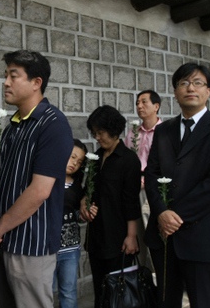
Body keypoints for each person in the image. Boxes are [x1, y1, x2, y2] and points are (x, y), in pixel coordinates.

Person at [144, 63, 210, 308]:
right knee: (166, 299)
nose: (190, 88)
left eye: (197, 83)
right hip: (163, 235)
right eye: (184, 83)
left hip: (200, 234)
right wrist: (161, 212)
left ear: (208, 91)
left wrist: (176, 216)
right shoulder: (164, 130)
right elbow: (151, 173)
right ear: (175, 92)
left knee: (203, 301)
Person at [0, 50, 73, 308]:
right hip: (1, 239)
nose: (6, 83)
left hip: (30, 243)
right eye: (5, 76)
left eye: (14, 76)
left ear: (37, 83)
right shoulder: (14, 126)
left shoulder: (52, 123)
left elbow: (40, 191)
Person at [80, 105, 141, 308]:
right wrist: (84, 205)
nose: (98, 137)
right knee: (100, 288)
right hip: (97, 234)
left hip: (118, 236)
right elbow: (87, 191)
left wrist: (131, 236)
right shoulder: (96, 159)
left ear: (114, 130)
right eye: (95, 133)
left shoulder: (129, 160)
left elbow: (131, 201)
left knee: (118, 290)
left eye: (101, 132)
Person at [124, 89, 162, 267]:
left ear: (156, 106)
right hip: (134, 187)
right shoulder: (133, 133)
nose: (139, 106)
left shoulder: (164, 132)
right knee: (136, 234)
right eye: (137, 103)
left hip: (153, 187)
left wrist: (149, 180)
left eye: (144, 102)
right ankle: (141, 279)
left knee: (152, 232)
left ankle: (157, 276)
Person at [54, 139, 87, 308]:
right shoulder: (47, 180)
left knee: (69, 293)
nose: (75, 163)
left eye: (79, 161)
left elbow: (79, 215)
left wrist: (85, 213)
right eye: (72, 157)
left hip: (70, 249)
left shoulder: (78, 187)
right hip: (47, 250)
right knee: (44, 292)